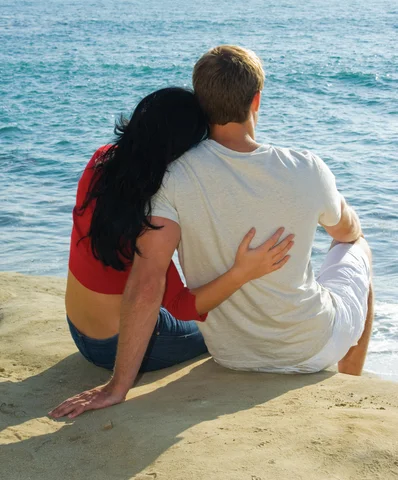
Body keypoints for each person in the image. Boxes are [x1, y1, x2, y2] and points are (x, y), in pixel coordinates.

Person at [50, 47, 373, 420]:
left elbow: (147, 280)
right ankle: (352, 386)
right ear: (256, 100)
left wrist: (117, 387)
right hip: (298, 346)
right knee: (358, 249)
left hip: (201, 347)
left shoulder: (140, 171)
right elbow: (349, 231)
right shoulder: (306, 166)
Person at [56, 87, 294, 389]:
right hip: (114, 347)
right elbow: (179, 305)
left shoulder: (102, 161)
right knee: (226, 327)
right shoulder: (154, 207)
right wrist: (242, 272)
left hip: (78, 330)